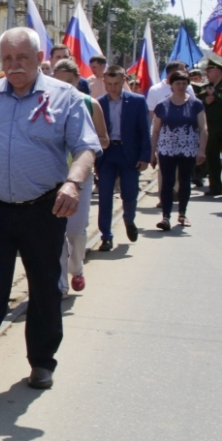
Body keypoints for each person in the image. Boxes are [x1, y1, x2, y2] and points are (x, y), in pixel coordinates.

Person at [0, 27, 100, 395]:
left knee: (45, 289)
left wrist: (73, 183)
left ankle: (42, 362)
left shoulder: (66, 97)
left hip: (44, 209)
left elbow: (86, 150)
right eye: (8, 58)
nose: (14, 66)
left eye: (22, 58)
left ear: (39, 58)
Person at [52, 58, 110, 294]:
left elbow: (103, 139)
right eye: (58, 82)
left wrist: (84, 146)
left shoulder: (90, 104)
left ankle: (76, 268)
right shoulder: (46, 104)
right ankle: (60, 284)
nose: (64, 86)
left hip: (80, 179)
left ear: (77, 80)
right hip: (52, 179)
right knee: (55, 233)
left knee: (75, 230)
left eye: (69, 81)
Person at [95, 64, 151, 251]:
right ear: (104, 82)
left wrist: (145, 156)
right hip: (107, 154)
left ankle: (129, 220)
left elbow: (144, 131)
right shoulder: (99, 103)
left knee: (129, 192)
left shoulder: (137, 101)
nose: (113, 88)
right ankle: (106, 236)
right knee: (105, 196)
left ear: (123, 81)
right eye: (109, 84)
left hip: (129, 154)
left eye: (116, 84)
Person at [150, 70, 207, 231]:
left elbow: (203, 128)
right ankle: (166, 216)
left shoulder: (195, 104)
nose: (181, 86)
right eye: (178, 83)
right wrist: (152, 153)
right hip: (167, 149)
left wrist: (201, 150)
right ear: (171, 86)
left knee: (184, 181)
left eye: (184, 83)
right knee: (167, 182)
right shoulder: (163, 105)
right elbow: (155, 131)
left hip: (188, 149)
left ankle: (182, 213)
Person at [196, 52, 222, 196]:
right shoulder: (205, 88)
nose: (207, 73)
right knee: (212, 158)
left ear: (218, 71)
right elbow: (196, 103)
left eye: (209, 70)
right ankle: (215, 186)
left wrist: (216, 97)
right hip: (211, 128)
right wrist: (205, 101)